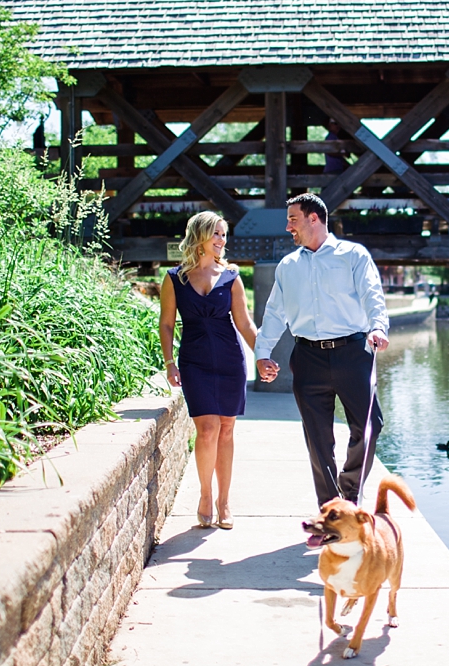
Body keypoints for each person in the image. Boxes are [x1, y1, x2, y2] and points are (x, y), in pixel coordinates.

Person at [255, 193, 390, 507]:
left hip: (354, 352)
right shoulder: (288, 266)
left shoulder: (353, 255)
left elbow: (373, 294)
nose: (288, 227)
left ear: (313, 218)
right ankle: (330, 509)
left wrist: (378, 326)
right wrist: (263, 352)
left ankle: (350, 489)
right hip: (307, 357)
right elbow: (275, 312)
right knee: (318, 440)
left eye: (293, 219)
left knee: (371, 425)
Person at [159, 211, 257, 529]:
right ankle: (204, 495)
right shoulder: (175, 278)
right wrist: (169, 363)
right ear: (200, 236)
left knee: (227, 429)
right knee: (207, 430)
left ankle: (224, 501)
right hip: (194, 362)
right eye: (216, 233)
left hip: (230, 361)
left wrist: (263, 356)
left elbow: (244, 323)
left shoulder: (231, 277)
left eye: (224, 235)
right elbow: (167, 324)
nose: (221, 240)